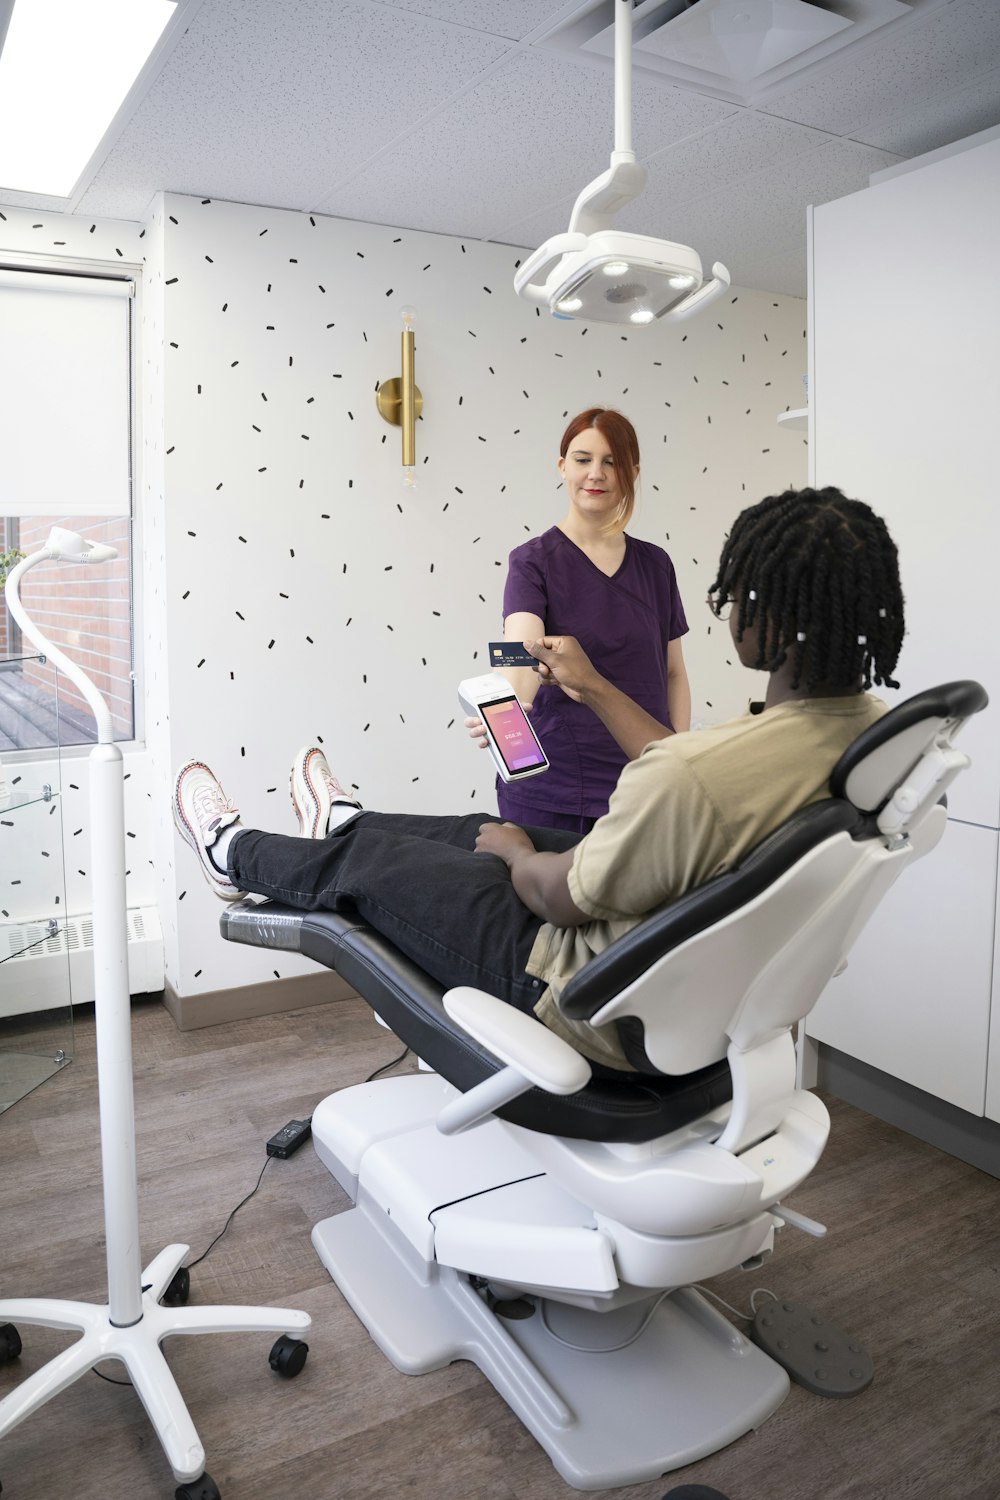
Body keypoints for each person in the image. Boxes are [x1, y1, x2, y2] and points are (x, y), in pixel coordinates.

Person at [174, 487, 904, 1073]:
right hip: (688, 981)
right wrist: (585, 685)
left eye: (739, 594)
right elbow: (682, 763)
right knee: (465, 831)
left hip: (580, 986)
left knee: (386, 865)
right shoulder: (867, 734)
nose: (729, 610)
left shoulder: (693, 775)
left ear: (770, 613)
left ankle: (230, 849)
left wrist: (519, 855)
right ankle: (344, 821)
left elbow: (561, 892)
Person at [469, 407, 690, 833]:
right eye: (583, 459)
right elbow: (521, 651)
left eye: (611, 461)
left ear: (632, 472)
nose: (596, 473)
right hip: (556, 791)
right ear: (562, 467)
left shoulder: (656, 565)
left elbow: (675, 674)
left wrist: (677, 763)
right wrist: (506, 707)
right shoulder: (533, 561)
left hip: (645, 787)